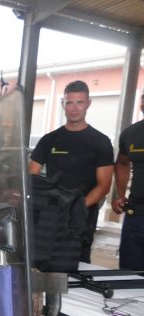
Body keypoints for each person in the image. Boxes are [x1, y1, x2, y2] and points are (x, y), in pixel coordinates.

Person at [28, 80, 114, 263]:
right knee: (44, 260)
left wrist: (78, 207)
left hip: (82, 214)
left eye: (80, 102)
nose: (74, 108)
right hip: (50, 213)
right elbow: (31, 175)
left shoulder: (101, 141)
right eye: (69, 102)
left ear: (88, 103)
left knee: (76, 263)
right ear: (63, 104)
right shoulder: (49, 140)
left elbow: (104, 185)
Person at [106, 90, 144, 316]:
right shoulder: (132, 134)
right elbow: (122, 162)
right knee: (132, 282)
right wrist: (121, 194)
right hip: (136, 218)